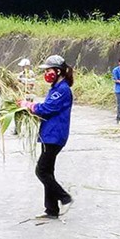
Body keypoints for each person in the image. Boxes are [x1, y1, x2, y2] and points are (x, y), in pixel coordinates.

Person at [18, 55, 74, 220]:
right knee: (48, 171)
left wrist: (29, 105)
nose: (47, 73)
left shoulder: (63, 90)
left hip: (55, 136)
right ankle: (51, 210)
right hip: (48, 134)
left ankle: (64, 197)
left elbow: (48, 108)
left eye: (49, 70)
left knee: (41, 170)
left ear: (58, 71)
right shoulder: (56, 88)